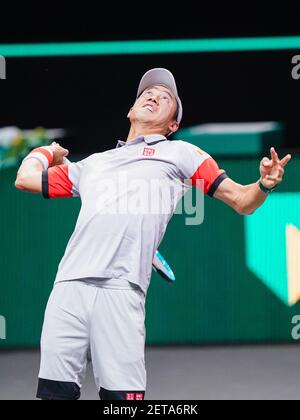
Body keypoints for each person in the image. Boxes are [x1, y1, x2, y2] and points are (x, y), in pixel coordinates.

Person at [15, 68, 291, 400]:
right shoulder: (93, 165)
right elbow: (25, 179)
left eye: (166, 97)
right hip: (68, 288)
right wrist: (49, 150)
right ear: (131, 110)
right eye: (147, 92)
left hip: (121, 289)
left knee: (123, 403)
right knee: (53, 394)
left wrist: (263, 184)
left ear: (173, 124)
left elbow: (242, 201)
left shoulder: (182, 155)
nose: (154, 95)